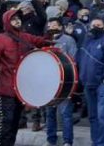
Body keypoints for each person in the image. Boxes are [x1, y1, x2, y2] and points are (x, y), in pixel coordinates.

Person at [0, 9, 51, 146]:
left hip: (22, 88)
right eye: (13, 19)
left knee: (15, 121)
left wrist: (51, 33)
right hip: (6, 87)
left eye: (19, 18)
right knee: (7, 121)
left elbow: (42, 41)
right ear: (7, 22)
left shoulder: (25, 37)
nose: (17, 21)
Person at [78, 17, 104, 146]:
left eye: (98, 24)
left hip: (103, 84)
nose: (95, 27)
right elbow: (80, 59)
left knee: (102, 117)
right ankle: (95, 142)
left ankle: (102, 143)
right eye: (93, 24)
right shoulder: (87, 41)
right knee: (93, 117)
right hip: (88, 83)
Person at [45, 18, 77, 146]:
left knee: (66, 113)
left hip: (65, 82)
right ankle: (50, 139)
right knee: (49, 113)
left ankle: (67, 141)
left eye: (54, 25)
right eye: (49, 25)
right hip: (48, 82)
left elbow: (73, 59)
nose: (51, 27)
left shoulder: (68, 40)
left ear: (60, 27)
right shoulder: (45, 40)